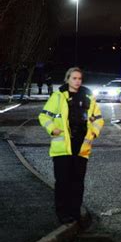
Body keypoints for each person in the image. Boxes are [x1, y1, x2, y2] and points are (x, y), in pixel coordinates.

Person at [38, 67, 104, 224]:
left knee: (77, 183)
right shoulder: (58, 96)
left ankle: (75, 213)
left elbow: (99, 119)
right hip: (62, 147)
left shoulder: (88, 96)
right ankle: (62, 214)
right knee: (62, 182)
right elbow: (44, 116)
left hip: (82, 147)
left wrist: (93, 133)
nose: (77, 81)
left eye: (80, 78)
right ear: (67, 79)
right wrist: (52, 129)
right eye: (74, 78)